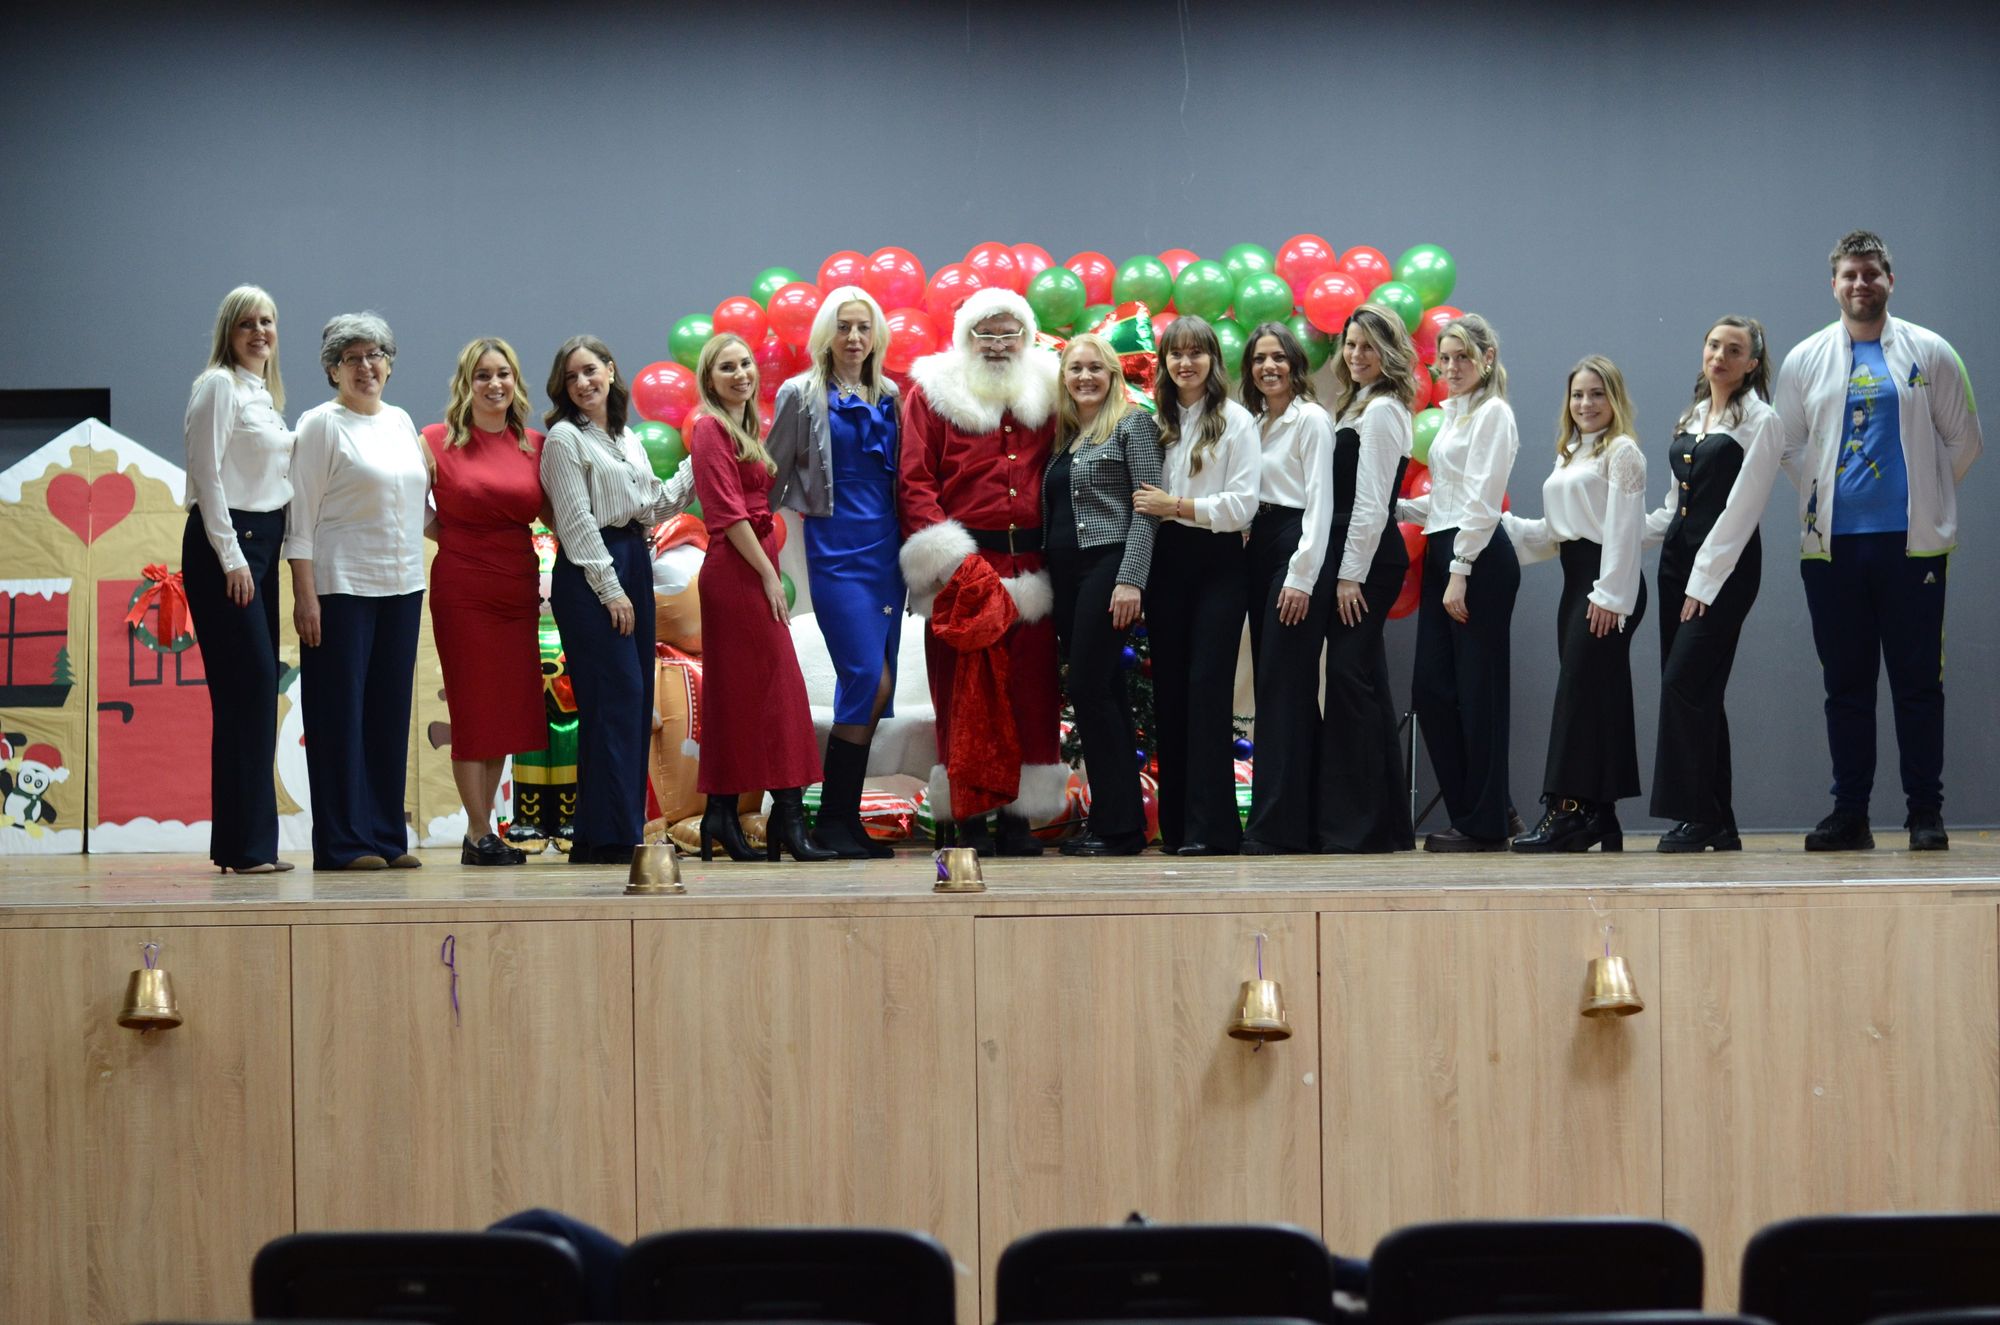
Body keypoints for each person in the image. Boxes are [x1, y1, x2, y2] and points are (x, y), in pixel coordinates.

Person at [1777, 230, 1982, 852]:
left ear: (1890, 281)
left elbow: (1964, 440)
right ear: (1833, 285)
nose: (1860, 284)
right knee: (1846, 686)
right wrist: (1825, 496)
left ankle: (1925, 813)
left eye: (1871, 273)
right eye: (1850, 275)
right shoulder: (1805, 358)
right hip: (1832, 550)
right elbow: (1788, 444)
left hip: (1911, 549)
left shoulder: (1931, 351)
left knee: (1918, 685)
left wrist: (1926, 497)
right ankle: (1851, 815)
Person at [898, 287, 1068, 857]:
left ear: (1027, 336)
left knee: (1029, 698)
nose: (997, 344)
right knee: (965, 701)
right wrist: (951, 564)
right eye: (985, 333)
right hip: (963, 572)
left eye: (1008, 333)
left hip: (1034, 570)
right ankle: (971, 817)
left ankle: (1018, 818)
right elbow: (915, 481)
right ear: (965, 337)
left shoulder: (1050, 390)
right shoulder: (932, 395)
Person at [541, 335, 693, 865]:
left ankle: (601, 835)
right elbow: (575, 523)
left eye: (591, 370)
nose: (583, 383)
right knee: (617, 701)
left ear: (610, 370)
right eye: (572, 376)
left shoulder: (626, 437)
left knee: (631, 702)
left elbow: (655, 505)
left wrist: (702, 455)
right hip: (593, 573)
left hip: (633, 559)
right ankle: (614, 837)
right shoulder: (563, 439)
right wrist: (610, 590)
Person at [285, 313, 429, 871]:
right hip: (341, 588)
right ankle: (343, 842)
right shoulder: (320, 425)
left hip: (403, 586)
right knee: (338, 718)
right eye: (352, 358)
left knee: (388, 717)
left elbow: (418, 509)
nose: (366, 366)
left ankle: (387, 837)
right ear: (333, 370)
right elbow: (300, 518)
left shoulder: (401, 421)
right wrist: (305, 596)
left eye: (375, 355)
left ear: (389, 364)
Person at [687, 334, 835, 863]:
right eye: (726, 367)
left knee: (744, 697)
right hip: (736, 574)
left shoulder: (744, 429)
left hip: (750, 568)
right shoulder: (709, 428)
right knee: (779, 693)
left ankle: (723, 814)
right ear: (710, 380)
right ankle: (787, 821)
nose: (741, 374)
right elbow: (727, 516)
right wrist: (771, 577)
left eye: (745, 363)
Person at [768, 286, 903, 859]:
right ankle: (828, 819)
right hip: (836, 552)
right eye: (844, 326)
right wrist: (757, 554)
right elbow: (771, 477)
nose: (854, 337)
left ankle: (843, 821)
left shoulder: (891, 395)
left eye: (863, 327)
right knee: (867, 678)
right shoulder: (799, 394)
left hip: (887, 553)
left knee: (878, 687)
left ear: (876, 335)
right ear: (827, 332)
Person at [1643, 316, 1782, 853]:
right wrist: (1623, 537)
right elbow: (1673, 505)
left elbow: (1742, 511)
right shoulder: (1693, 414)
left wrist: (1704, 582)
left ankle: (1696, 816)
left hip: (1723, 569)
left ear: (1752, 363)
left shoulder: (1762, 421)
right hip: (1676, 563)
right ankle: (1721, 822)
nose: (1720, 356)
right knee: (1698, 692)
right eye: (1714, 345)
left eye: (1734, 350)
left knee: (1684, 683)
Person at [1502, 356, 1648, 852]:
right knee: (1598, 698)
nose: (1586, 403)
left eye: (1597, 393)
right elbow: (1555, 534)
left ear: (1615, 398)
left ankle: (1565, 812)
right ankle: (1602, 816)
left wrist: (1611, 595)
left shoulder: (1622, 451)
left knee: (1577, 697)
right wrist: (1503, 528)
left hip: (1606, 584)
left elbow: (1624, 531)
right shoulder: (1570, 454)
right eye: (1578, 395)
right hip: (1577, 582)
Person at [1133, 315, 1259, 856]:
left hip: (1219, 563)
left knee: (1207, 690)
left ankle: (1214, 830)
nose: (1185, 363)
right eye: (1176, 354)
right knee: (1170, 692)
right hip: (1167, 562)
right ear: (1164, 362)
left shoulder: (1236, 420)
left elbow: (1242, 507)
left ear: (1213, 359)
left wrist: (1177, 506)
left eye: (1196, 353)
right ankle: (1179, 829)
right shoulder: (1153, 420)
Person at [420, 338, 546, 867]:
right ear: (466, 383)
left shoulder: (535, 444)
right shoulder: (433, 440)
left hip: (517, 588)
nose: (495, 384)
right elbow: (411, 509)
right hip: (464, 590)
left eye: (503, 374)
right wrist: (455, 537)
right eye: (483, 375)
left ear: (516, 380)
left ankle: (484, 831)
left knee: (503, 714)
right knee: (474, 711)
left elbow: (559, 514)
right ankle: (477, 831)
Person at [182, 285, 295, 875]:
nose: (259, 332)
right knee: (248, 689)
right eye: (247, 323)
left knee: (252, 693)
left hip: (263, 544)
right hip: (228, 544)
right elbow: (205, 475)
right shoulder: (219, 386)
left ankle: (245, 846)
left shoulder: (266, 398)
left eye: (267, 321)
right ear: (228, 332)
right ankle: (246, 848)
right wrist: (230, 557)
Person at [1396, 313, 1520, 852]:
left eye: (1462, 357)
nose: (1451, 367)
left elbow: (1483, 501)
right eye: (1444, 358)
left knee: (1479, 694)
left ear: (1487, 358)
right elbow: (1447, 497)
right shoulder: (1454, 414)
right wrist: (1397, 507)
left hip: (1477, 559)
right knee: (1432, 690)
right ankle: (1486, 811)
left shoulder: (1494, 414)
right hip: (1446, 548)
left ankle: (1485, 826)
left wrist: (1460, 571)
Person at [1044, 333, 1164, 857]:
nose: (1085, 377)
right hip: (1066, 576)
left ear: (1113, 375)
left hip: (1108, 566)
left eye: (1095, 367)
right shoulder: (1066, 436)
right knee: (1103, 689)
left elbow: (1148, 508)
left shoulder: (1133, 424)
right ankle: (1120, 823)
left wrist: (1131, 578)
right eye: (1075, 369)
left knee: (1090, 687)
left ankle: (1116, 826)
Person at [1317, 304, 1418, 854]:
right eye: (1351, 344)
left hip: (1367, 562)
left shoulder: (1381, 410)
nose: (1356, 355)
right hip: (1358, 556)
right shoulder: (1358, 403)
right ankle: (1383, 825)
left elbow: (1373, 503)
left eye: (1368, 347)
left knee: (1349, 681)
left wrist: (1350, 575)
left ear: (1389, 352)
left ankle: (1356, 826)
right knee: (1366, 682)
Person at [1238, 322, 1335, 855]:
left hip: (1295, 548)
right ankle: (1311, 818)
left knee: (1284, 686)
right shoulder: (1255, 423)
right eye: (1259, 359)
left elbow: (1320, 503)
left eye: (1277, 357)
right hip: (1261, 545)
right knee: (1279, 686)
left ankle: (1277, 826)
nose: (1268, 367)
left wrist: (1302, 575)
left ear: (1295, 364)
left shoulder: (1311, 419)